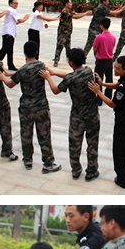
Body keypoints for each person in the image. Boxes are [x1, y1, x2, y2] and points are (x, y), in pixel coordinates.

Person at [0, 41, 61, 173]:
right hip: (41, 106)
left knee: (26, 134)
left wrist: (3, 77)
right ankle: (48, 163)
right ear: (36, 52)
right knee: (44, 135)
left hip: (26, 107)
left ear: (24, 52)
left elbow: (10, 84)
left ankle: (27, 160)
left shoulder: (22, 70)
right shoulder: (41, 65)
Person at [40, 48, 100, 181]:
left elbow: (56, 90)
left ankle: (76, 170)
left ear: (71, 62)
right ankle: (92, 170)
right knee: (92, 144)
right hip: (92, 114)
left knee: (74, 144)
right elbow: (72, 76)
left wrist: (49, 78)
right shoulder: (88, 71)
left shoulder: (70, 78)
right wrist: (55, 73)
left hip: (77, 116)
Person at [89, 56, 125, 189]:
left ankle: (122, 179)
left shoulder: (124, 88)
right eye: (114, 66)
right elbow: (118, 84)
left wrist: (98, 92)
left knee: (120, 150)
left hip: (124, 122)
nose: (114, 69)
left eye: (117, 68)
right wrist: (103, 84)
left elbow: (112, 104)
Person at [54, 0, 91, 67]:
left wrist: (86, 13)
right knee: (59, 47)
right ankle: (56, 61)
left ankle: (70, 60)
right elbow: (75, 17)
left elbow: (76, 13)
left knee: (68, 47)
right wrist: (86, 13)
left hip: (68, 32)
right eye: (70, 3)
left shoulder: (69, 10)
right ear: (66, 4)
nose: (71, 4)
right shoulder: (64, 11)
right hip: (62, 32)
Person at [0, 0, 30, 71]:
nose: (16, 4)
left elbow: (15, 22)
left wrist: (23, 20)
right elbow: (20, 20)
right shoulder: (12, 10)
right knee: (5, 49)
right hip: (9, 33)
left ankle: (10, 64)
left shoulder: (10, 10)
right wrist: (26, 18)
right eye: (15, 3)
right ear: (10, 4)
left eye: (17, 3)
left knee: (9, 50)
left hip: (9, 33)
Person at [93, 17, 116, 100]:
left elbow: (95, 48)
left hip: (100, 60)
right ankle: (108, 97)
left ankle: (99, 98)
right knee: (109, 79)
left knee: (98, 79)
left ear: (101, 26)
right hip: (109, 60)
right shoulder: (113, 37)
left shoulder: (99, 37)